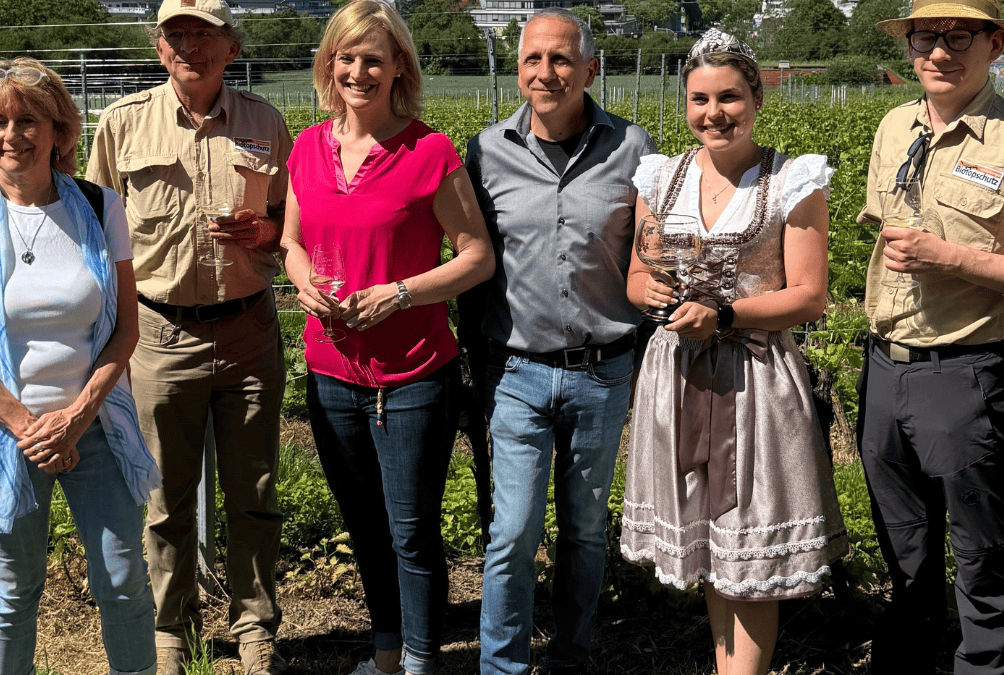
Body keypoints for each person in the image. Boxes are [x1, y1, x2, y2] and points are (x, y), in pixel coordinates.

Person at [617, 29, 848, 675]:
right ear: (685, 104)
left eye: (729, 97)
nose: (713, 112)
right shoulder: (659, 178)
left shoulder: (792, 180)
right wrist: (655, 295)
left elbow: (809, 296)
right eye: (699, 99)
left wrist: (722, 312)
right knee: (713, 555)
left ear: (756, 99)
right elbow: (636, 277)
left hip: (755, 381)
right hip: (677, 378)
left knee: (750, 559)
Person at [278, 2, 493, 674]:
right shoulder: (307, 147)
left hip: (414, 373)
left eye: (375, 57)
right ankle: (386, 654)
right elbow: (290, 240)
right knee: (366, 526)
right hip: (332, 370)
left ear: (400, 65)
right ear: (329, 64)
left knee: (411, 530)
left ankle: (424, 659)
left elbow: (476, 255)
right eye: (347, 57)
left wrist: (403, 291)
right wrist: (304, 280)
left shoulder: (429, 151)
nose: (359, 71)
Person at [85, 0, 293, 671]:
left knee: (254, 489)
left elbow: (290, 223)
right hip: (157, 332)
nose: (189, 47)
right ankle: (168, 626)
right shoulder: (122, 124)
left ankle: (256, 623)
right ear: (158, 46)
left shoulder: (265, 122)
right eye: (176, 35)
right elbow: (99, 235)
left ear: (232, 48)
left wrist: (263, 232)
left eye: (205, 35)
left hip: (249, 328)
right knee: (162, 494)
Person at [0, 57, 160, 675]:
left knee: (123, 580)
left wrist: (75, 417)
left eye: (28, 119)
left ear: (59, 129)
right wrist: (29, 426)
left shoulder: (100, 208)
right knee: (13, 591)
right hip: (1, 432)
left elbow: (125, 330)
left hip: (97, 427)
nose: (13, 134)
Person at [463, 10, 655, 675]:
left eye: (563, 59)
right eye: (534, 60)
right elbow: (475, 267)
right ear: (519, 70)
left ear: (590, 70)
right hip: (514, 370)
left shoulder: (636, 149)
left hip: (604, 370)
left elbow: (649, 259)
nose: (547, 73)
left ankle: (573, 655)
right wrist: (472, 368)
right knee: (511, 531)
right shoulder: (485, 151)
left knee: (583, 528)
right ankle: (503, 664)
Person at [856, 1, 1004, 672]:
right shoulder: (895, 125)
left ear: (995, 43)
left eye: (961, 37)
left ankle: (988, 663)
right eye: (927, 37)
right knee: (905, 547)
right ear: (909, 47)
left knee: (982, 553)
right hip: (883, 367)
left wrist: (950, 258)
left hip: (964, 372)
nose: (940, 51)